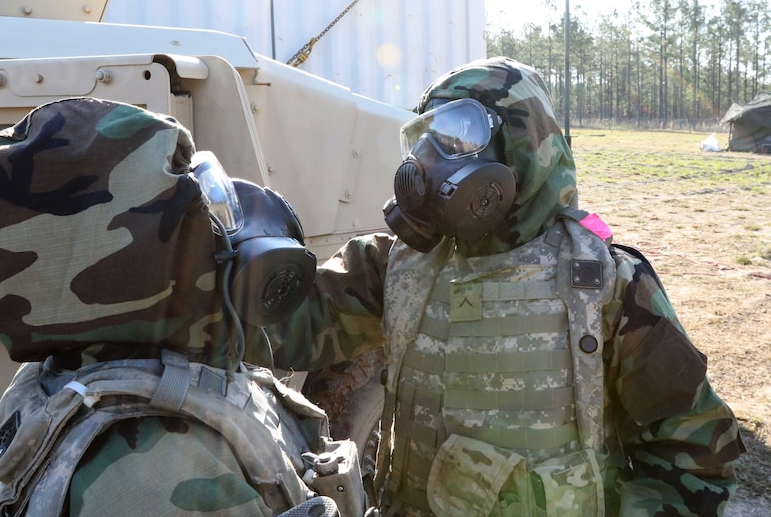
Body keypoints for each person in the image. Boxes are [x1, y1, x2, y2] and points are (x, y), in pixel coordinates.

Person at [266, 57, 746, 516]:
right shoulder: (392, 263)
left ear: (522, 144)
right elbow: (276, 323)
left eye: (459, 135)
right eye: (427, 138)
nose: (432, 160)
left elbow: (694, 449)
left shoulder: (606, 282)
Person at [0, 97, 361, 517]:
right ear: (136, 262)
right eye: (197, 201)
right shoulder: (157, 472)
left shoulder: (69, 375)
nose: (219, 223)